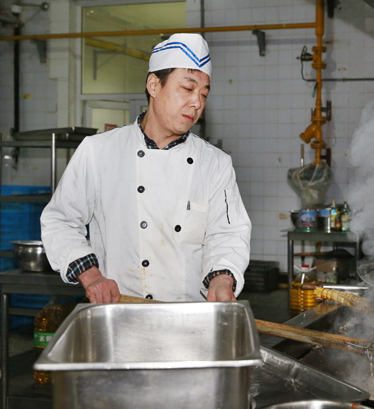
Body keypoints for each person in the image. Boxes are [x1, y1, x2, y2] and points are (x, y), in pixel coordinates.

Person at [41, 33, 251, 303]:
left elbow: (227, 235)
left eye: (203, 94)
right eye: (187, 89)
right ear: (154, 85)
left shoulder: (215, 163)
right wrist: (91, 276)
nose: (197, 102)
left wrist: (222, 279)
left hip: (190, 316)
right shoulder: (98, 151)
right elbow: (61, 221)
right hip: (119, 312)